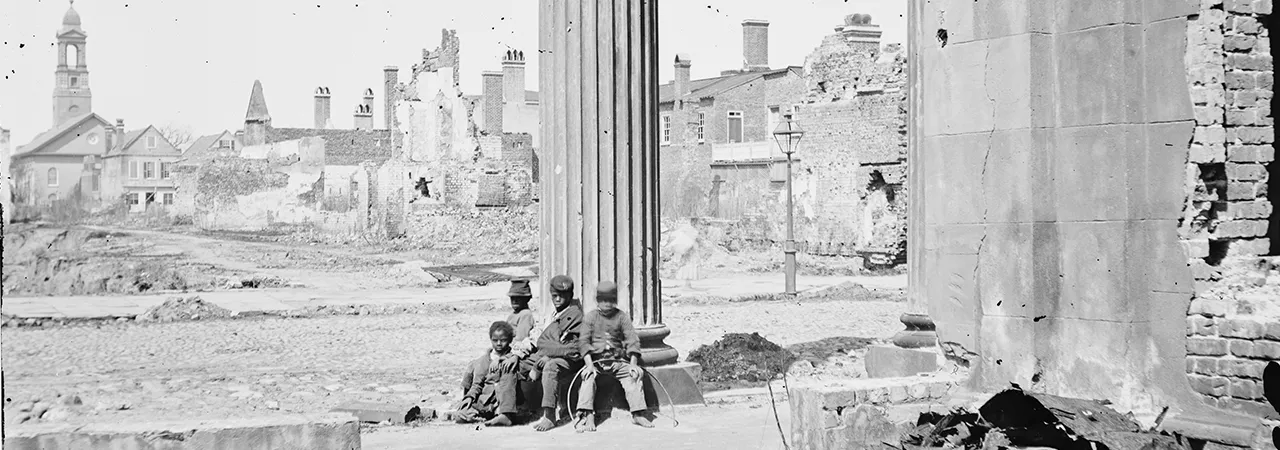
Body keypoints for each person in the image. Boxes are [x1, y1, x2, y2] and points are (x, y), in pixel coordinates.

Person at [574, 281, 653, 432]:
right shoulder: (590, 317)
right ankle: (588, 414)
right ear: (597, 300)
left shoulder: (622, 317)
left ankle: (637, 413)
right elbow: (583, 342)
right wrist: (589, 365)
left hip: (617, 361)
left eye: (610, 299)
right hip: (596, 362)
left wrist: (633, 364)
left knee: (634, 376)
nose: (607, 303)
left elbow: (632, 340)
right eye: (603, 300)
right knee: (587, 377)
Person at [521, 274, 585, 431]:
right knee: (520, 364)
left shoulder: (574, 315)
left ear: (570, 296)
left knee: (550, 367)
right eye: (554, 296)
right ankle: (516, 408)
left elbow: (574, 349)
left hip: (569, 360)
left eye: (562, 296)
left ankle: (549, 415)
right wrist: (545, 350)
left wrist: (548, 352)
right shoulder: (554, 314)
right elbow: (543, 341)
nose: (557, 299)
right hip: (551, 354)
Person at [454, 321, 522, 427]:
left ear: (509, 340)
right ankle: (482, 418)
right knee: (460, 415)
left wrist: (506, 359)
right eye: (495, 340)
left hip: (501, 400)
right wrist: (470, 397)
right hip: (484, 401)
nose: (499, 343)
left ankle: (503, 415)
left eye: (503, 340)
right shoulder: (484, 361)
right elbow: (477, 384)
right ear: (491, 339)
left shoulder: (513, 357)